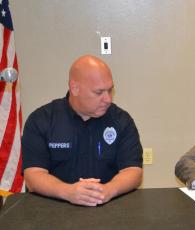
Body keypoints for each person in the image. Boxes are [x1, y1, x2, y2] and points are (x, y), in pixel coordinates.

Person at [22, 55, 143, 206]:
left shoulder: (121, 121)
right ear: (75, 88)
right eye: (99, 92)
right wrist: (68, 192)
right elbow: (33, 175)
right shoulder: (41, 120)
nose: (108, 99)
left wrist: (108, 190)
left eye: (110, 90)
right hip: (54, 211)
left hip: (109, 209)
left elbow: (133, 171)